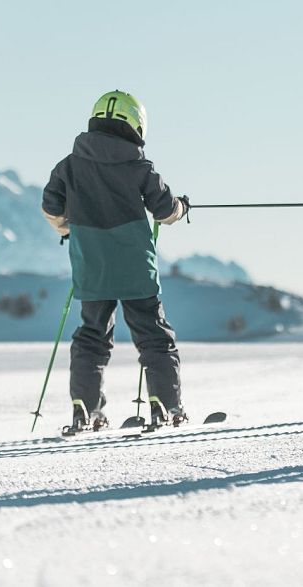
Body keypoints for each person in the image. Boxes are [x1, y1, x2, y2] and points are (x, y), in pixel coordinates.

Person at [41, 91, 189, 433]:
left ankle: (85, 409)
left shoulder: (68, 165)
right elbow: (165, 210)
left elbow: (51, 206)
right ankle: (166, 405)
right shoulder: (139, 166)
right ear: (135, 124)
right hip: (135, 266)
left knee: (92, 336)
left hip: (92, 267)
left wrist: (69, 227)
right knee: (154, 335)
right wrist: (182, 207)